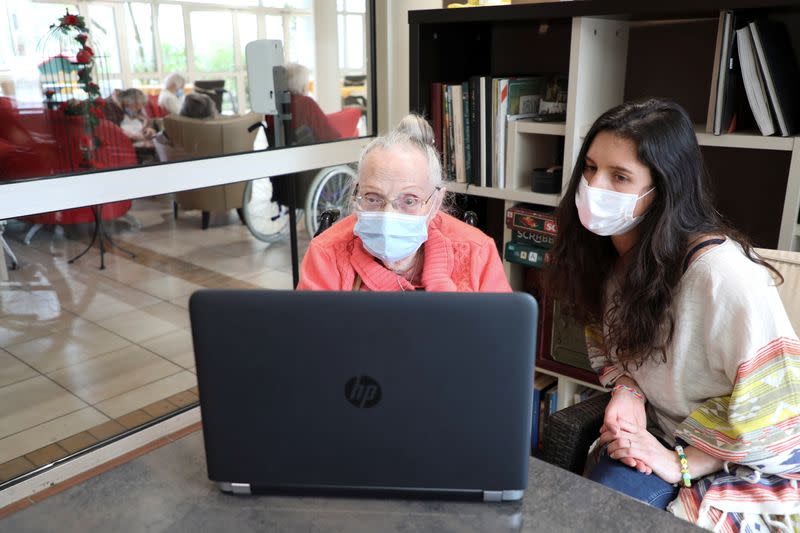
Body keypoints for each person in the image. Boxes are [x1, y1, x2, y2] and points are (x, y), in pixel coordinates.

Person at [546, 98, 800, 529]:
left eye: (620, 176)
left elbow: (778, 411)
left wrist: (680, 463)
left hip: (753, 459)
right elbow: (608, 347)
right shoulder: (603, 253)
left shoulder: (723, 276)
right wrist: (627, 388)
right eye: (590, 168)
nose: (594, 187)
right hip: (660, 433)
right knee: (587, 516)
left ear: (662, 189)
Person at [297, 114, 511, 292]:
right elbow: (308, 338)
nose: (388, 215)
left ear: (435, 203)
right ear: (356, 193)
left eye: (409, 200)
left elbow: (502, 338)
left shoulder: (478, 253)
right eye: (373, 198)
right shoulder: (326, 254)